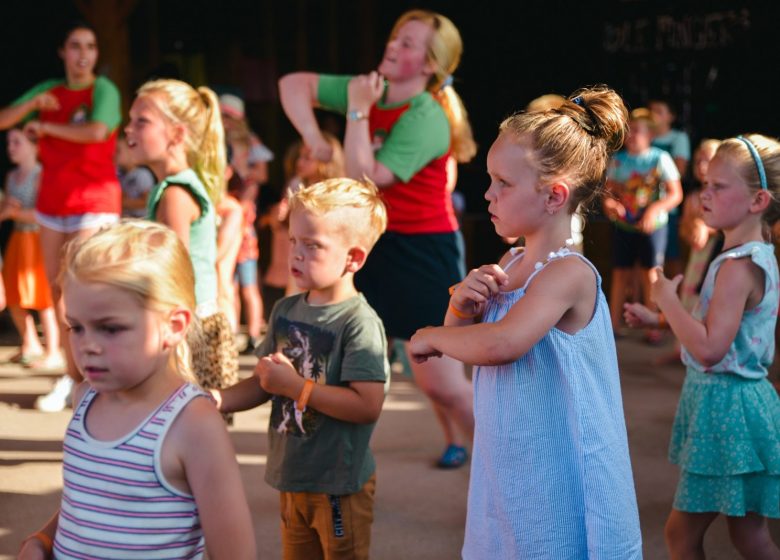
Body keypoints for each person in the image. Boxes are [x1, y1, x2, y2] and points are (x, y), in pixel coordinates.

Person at [408, 87, 642, 558]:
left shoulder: (568, 274)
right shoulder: (510, 263)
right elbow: (459, 347)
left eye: (503, 183)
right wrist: (459, 310)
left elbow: (502, 344)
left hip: (556, 470)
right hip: (509, 466)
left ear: (554, 196)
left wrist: (428, 334)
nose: (488, 194)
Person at [279, 8, 476, 468]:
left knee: (441, 379)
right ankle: (458, 445)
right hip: (375, 244)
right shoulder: (370, 90)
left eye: (407, 43)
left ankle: (505, 469)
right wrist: (312, 134)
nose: (392, 46)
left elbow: (363, 177)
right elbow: (292, 84)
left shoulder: (425, 115)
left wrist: (356, 111)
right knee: (354, 364)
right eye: (394, 37)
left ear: (429, 65)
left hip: (422, 250)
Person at [16, 221, 256, 560]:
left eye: (110, 329)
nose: (87, 346)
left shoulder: (193, 424)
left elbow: (235, 553)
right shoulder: (85, 398)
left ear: (173, 326)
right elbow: (89, 504)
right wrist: (43, 539)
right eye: (76, 327)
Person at [213, 178, 390, 560]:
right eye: (293, 241)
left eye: (312, 246)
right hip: (292, 474)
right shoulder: (286, 310)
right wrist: (217, 399)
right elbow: (264, 383)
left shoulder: (359, 323)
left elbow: (367, 405)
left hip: (338, 485)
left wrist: (297, 388)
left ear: (353, 258)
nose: (296, 254)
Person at [624, 134, 780, 559]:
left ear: (758, 200)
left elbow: (710, 349)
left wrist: (668, 300)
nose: (703, 194)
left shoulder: (736, 267)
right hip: (742, 403)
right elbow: (724, 328)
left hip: (725, 409)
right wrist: (660, 316)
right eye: (705, 184)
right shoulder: (757, 253)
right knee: (748, 536)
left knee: (681, 536)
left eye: (719, 186)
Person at [0, 21, 122, 412]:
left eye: (90, 46)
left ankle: (100, 377)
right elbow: (5, 119)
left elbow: (98, 130)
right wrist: (32, 107)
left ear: (96, 54)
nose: (83, 53)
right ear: (62, 52)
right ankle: (74, 379)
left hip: (95, 201)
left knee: (81, 289)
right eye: (75, 46)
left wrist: (44, 125)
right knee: (57, 294)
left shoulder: (103, 89)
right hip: (53, 205)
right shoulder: (49, 90)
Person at [124, 79, 239, 419]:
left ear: (176, 134)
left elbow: (174, 268)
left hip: (188, 329)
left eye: (141, 121)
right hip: (190, 321)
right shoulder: (170, 187)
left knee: (185, 430)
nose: (129, 129)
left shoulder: (175, 193)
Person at [603, 107, 683, 339]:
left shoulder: (660, 158)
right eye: (628, 131)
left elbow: (675, 194)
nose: (631, 135)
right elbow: (607, 193)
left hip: (653, 227)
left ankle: (653, 327)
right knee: (620, 273)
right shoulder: (617, 160)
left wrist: (654, 209)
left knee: (652, 275)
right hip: (624, 225)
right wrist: (609, 204)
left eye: (636, 131)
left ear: (650, 135)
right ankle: (613, 327)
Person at [0, 128, 63, 373]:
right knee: (15, 293)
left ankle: (54, 349)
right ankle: (30, 343)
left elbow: (45, 213)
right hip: (18, 238)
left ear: (35, 146)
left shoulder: (41, 175)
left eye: (17, 142)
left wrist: (14, 212)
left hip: (38, 239)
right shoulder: (11, 176)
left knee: (42, 296)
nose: (11, 147)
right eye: (9, 142)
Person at [649, 98, 691, 280]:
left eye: (659, 110)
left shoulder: (678, 138)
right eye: (651, 110)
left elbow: (679, 170)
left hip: (668, 209)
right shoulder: (644, 136)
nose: (653, 115)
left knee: (671, 255)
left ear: (671, 116)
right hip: (642, 207)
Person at [115, 133, 155, 218]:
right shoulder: (120, 175)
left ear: (130, 151)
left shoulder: (142, 174)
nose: (114, 154)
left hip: (140, 222)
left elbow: (147, 201)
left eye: (118, 150)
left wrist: (121, 202)